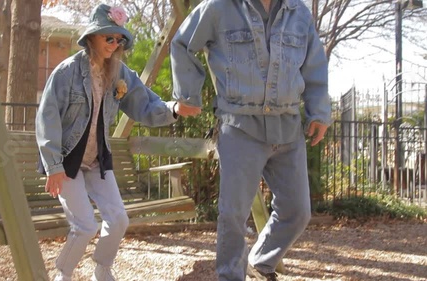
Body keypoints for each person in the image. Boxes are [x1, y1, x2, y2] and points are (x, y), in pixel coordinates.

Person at [170, 0, 332, 280]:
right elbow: (183, 44)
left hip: (288, 126)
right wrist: (187, 95)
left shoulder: (299, 12)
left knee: (297, 210)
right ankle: (231, 275)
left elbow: (314, 65)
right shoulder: (219, 7)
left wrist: (318, 112)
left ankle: (260, 262)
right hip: (240, 124)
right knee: (233, 213)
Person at [36, 4, 198, 281]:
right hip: (67, 162)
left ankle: (102, 267)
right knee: (86, 226)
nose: (113, 44)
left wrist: (172, 109)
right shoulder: (66, 73)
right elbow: (47, 118)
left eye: (118, 39)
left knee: (119, 219)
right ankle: (63, 274)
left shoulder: (119, 73)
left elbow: (144, 103)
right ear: (92, 38)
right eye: (108, 37)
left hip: (97, 161)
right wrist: (52, 166)